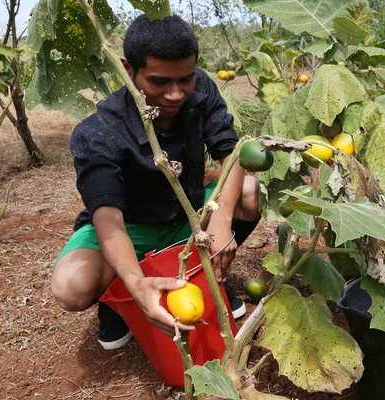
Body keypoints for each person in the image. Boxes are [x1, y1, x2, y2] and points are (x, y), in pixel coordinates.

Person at [51, 15, 260, 350]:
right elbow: (107, 215)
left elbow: (232, 153)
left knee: (249, 192)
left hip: (187, 216)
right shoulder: (99, 130)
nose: (176, 94)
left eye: (186, 79)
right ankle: (120, 298)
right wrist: (135, 283)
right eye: (160, 81)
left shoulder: (202, 88)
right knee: (71, 286)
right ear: (128, 68)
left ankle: (209, 272)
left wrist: (220, 220)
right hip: (130, 228)